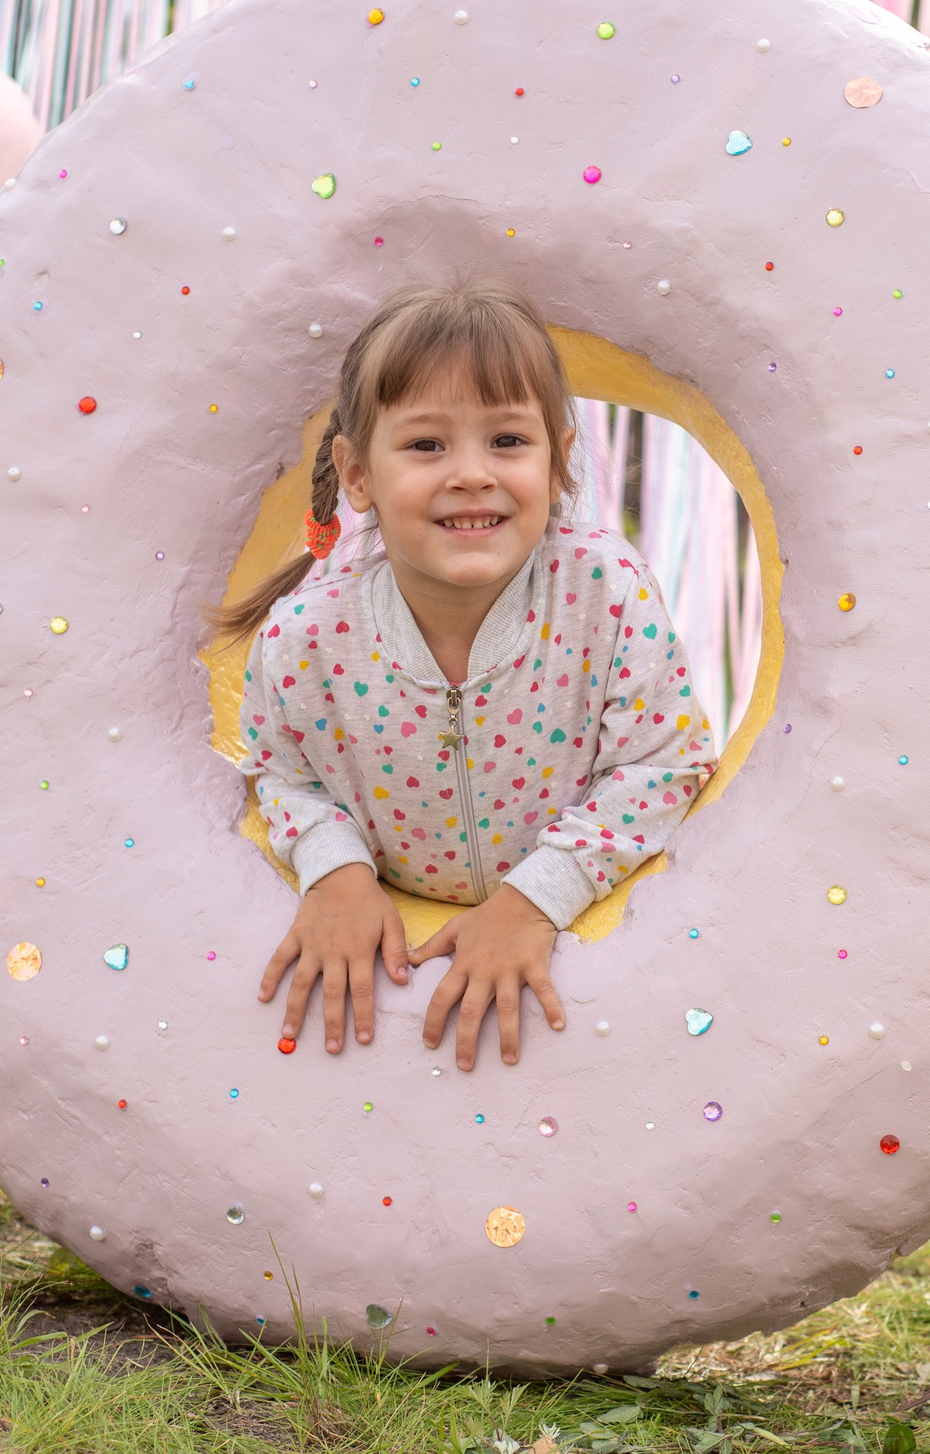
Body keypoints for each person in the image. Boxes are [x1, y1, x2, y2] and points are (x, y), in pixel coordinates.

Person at [212, 282, 713, 1074]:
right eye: (426, 446)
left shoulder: (604, 591)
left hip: (586, 963)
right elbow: (280, 773)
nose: (473, 473)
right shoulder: (310, 636)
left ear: (558, 464)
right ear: (358, 473)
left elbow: (665, 760)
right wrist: (334, 870)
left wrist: (535, 897)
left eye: (508, 441)